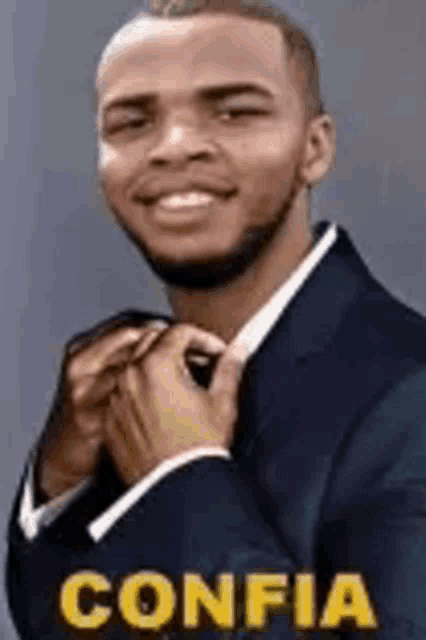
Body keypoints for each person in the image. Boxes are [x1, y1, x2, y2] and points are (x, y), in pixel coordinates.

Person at [6, 0, 426, 638]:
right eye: (131, 121)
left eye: (234, 111)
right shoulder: (130, 389)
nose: (174, 148)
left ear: (314, 149)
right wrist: (59, 486)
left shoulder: (412, 397)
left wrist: (186, 478)